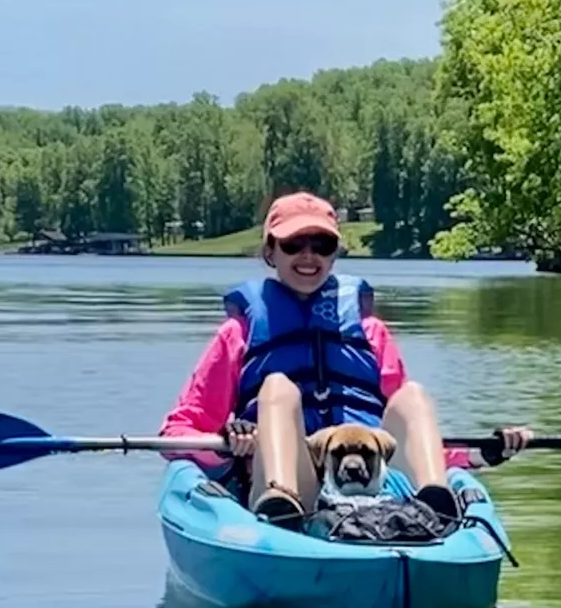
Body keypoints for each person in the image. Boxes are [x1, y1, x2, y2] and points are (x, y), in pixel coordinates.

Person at [159, 191, 531, 524]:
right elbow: (180, 430)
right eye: (293, 244)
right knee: (276, 387)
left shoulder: (370, 333)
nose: (309, 256)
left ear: (335, 252)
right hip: (296, 488)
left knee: (412, 396)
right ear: (270, 252)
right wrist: (226, 444)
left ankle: (434, 505)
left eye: (321, 244)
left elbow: (410, 434)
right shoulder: (238, 334)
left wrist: (483, 455)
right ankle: (280, 508)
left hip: (375, 485)